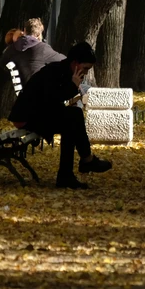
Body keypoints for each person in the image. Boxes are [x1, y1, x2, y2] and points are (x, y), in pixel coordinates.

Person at [8, 41, 113, 189]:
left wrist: (73, 89)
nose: (86, 72)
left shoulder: (63, 71)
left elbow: (54, 103)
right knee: (72, 118)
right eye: (85, 68)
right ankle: (82, 164)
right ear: (75, 63)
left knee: (72, 118)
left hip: (36, 114)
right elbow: (52, 100)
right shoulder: (56, 72)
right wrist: (73, 86)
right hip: (25, 119)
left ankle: (71, 172)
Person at [1, 17, 66, 85]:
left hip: (28, 90)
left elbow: (2, 63)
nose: (23, 35)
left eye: (22, 34)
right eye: (20, 37)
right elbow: (64, 61)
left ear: (25, 30)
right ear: (38, 35)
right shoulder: (41, 49)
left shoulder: (9, 53)